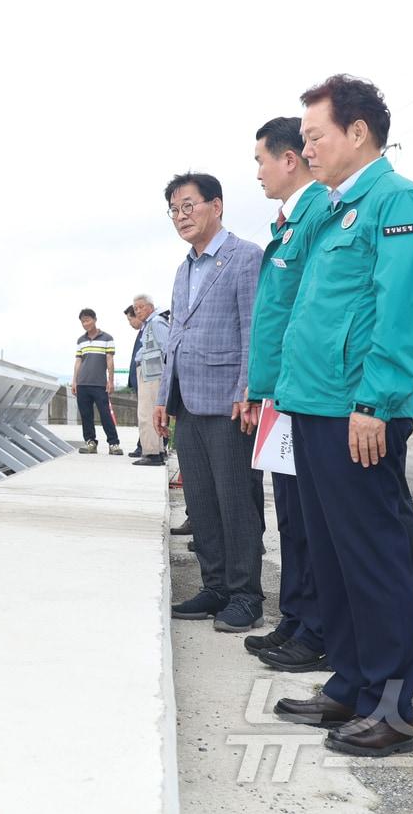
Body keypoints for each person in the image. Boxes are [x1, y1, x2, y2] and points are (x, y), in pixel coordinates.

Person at [270, 75, 413, 758]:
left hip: (356, 412)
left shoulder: (396, 201)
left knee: (373, 558)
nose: (306, 147)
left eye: (315, 135)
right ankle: (350, 679)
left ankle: (392, 707)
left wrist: (376, 400)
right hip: (312, 407)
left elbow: (401, 309)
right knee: (333, 557)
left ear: (358, 132)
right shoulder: (335, 209)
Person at [153, 172, 265, 632]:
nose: (181, 216)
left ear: (216, 206)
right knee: (199, 503)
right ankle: (215, 585)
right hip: (188, 401)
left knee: (236, 500)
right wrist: (164, 397)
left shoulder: (244, 258)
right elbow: (175, 338)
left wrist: (248, 390)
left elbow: (253, 330)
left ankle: (245, 595)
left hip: (228, 402)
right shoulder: (184, 268)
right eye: (174, 210)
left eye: (189, 206)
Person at [242, 116, 332, 674]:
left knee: (314, 518)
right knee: (293, 516)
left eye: (260, 160)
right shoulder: (288, 225)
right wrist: (260, 389)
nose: (257, 172)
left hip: (307, 392)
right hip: (282, 394)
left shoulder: (318, 212)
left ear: (289, 159)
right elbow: (272, 317)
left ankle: (317, 626)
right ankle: (297, 616)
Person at [71, 308, 122, 455]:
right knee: (86, 416)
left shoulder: (107, 338)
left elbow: (110, 360)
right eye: (82, 322)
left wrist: (111, 381)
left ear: (94, 319)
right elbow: (78, 361)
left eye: (87, 320)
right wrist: (74, 381)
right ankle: (90, 443)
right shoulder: (81, 340)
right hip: (82, 384)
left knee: (106, 415)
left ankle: (114, 444)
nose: (85, 324)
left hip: (100, 384)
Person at [132, 294, 168, 467]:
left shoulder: (156, 323)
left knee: (146, 413)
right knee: (152, 413)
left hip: (152, 374)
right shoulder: (151, 324)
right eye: (136, 308)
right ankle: (157, 451)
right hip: (150, 372)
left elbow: (167, 349)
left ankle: (152, 453)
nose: (138, 311)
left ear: (151, 307)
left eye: (141, 307)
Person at [124, 304, 144, 457]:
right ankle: (143, 445)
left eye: (130, 320)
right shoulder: (142, 332)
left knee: (146, 415)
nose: (130, 323)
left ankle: (143, 446)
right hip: (140, 380)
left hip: (145, 379)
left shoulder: (149, 330)